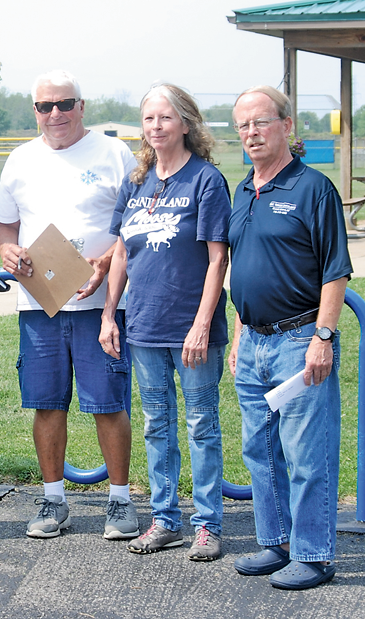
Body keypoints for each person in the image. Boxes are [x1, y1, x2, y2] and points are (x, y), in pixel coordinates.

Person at [0, 70, 139, 540]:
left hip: (101, 304)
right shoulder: (20, 159)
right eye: (45, 106)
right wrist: (7, 250)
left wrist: (106, 260)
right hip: (41, 303)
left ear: (82, 106)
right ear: (34, 110)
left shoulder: (114, 153)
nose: (55, 113)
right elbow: (4, 227)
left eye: (65, 104)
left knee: (108, 403)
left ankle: (120, 501)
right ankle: (53, 499)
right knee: (46, 403)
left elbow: (135, 225)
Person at [99, 83, 231, 560]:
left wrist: (202, 324)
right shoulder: (136, 181)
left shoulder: (206, 180)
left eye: (166, 117)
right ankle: (165, 520)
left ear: (186, 124)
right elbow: (120, 254)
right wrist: (109, 314)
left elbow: (217, 259)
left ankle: (207, 525)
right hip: (145, 327)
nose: (156, 126)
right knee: (156, 425)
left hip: (192, 329)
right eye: (149, 118)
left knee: (201, 425)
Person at [229, 86, 352, 590]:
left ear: (286, 126)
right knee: (260, 450)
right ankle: (276, 543)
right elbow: (244, 267)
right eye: (243, 125)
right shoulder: (243, 190)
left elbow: (335, 270)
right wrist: (239, 335)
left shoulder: (313, 188)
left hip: (300, 339)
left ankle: (314, 555)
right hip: (253, 342)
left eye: (261, 122)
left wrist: (323, 336)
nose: (252, 133)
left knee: (306, 453)